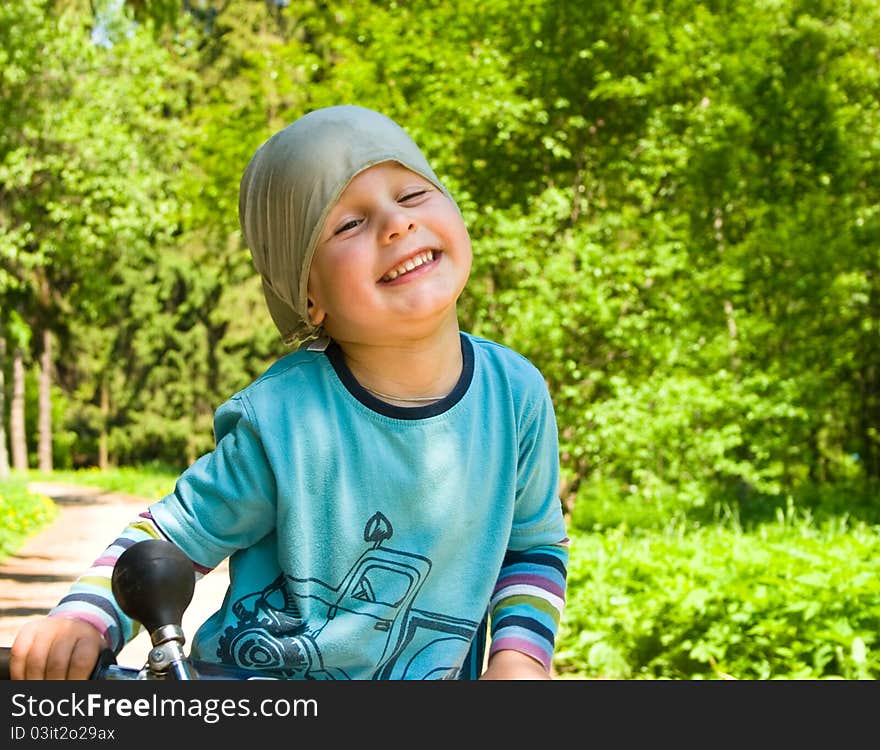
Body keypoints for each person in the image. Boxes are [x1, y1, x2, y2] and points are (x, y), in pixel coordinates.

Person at [10, 105, 569, 680]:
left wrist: (519, 658)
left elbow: (533, 548)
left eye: (411, 195)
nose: (396, 224)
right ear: (309, 297)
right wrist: (81, 619)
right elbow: (169, 538)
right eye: (348, 224)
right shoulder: (284, 419)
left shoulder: (515, 396)